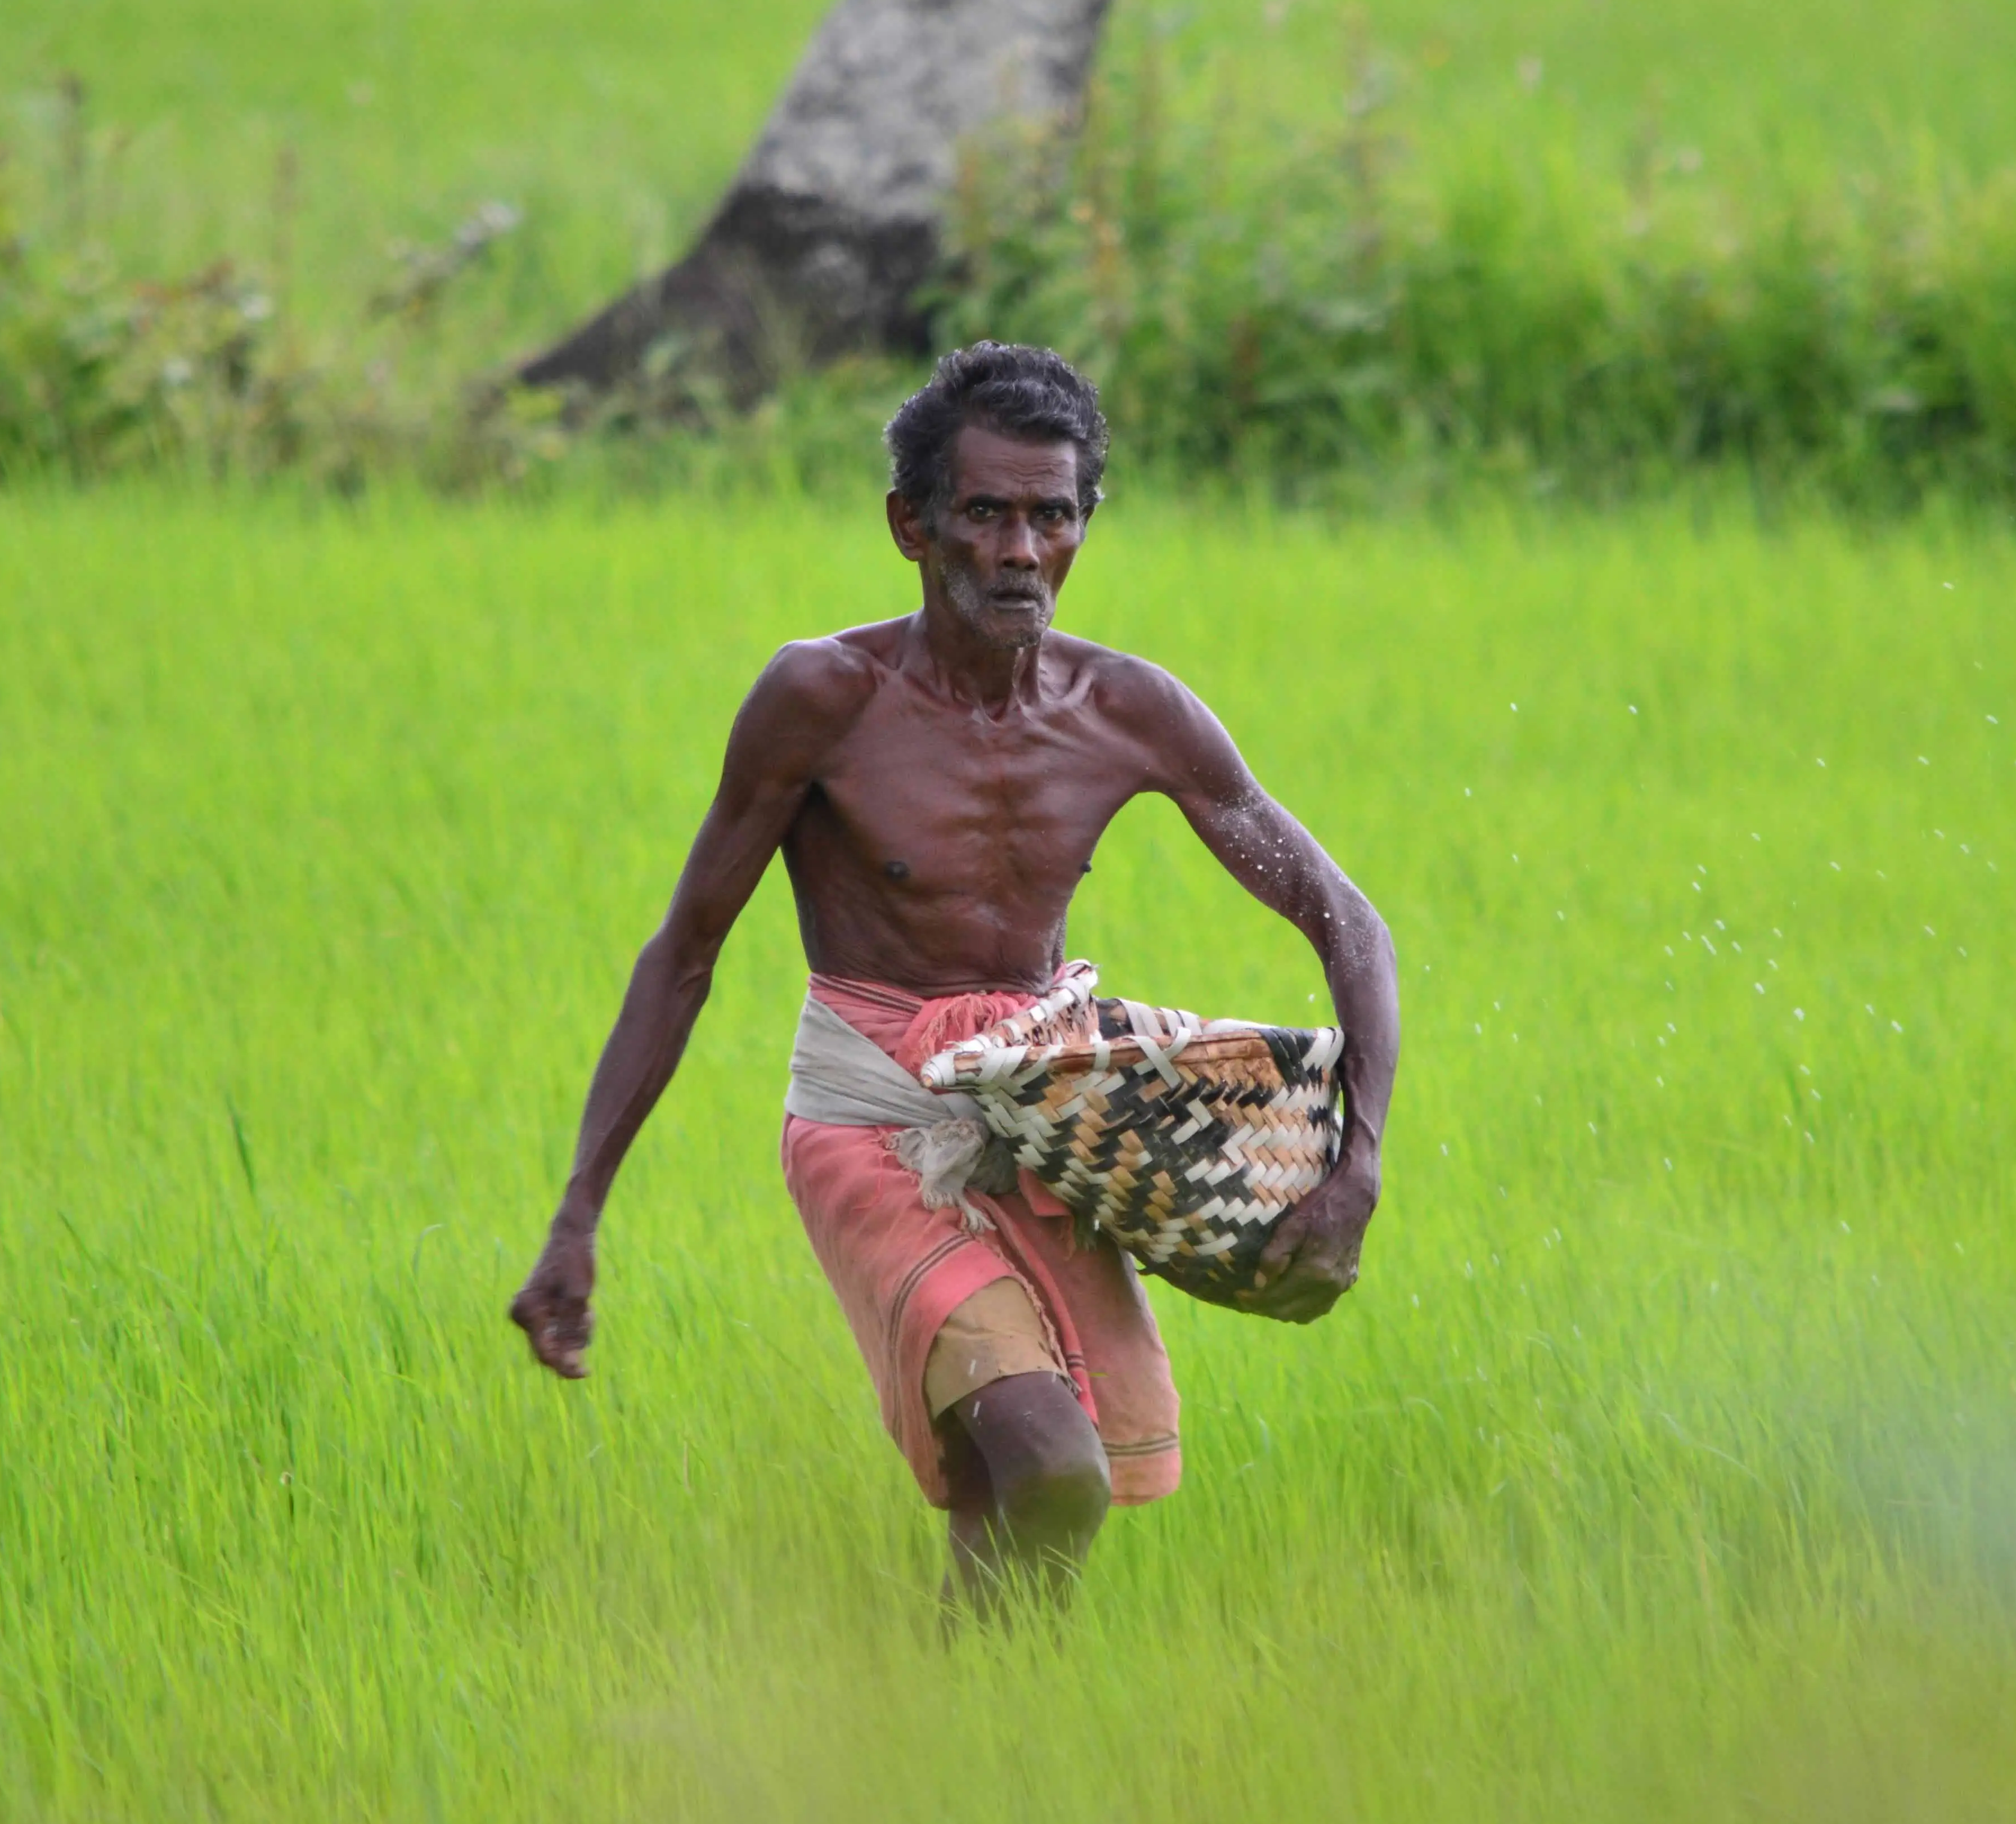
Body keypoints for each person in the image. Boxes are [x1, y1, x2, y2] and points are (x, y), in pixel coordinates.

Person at [509, 342, 1398, 1611]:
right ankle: (984, 1705)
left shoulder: (1125, 711)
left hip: (1039, 1114)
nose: (1020, 550)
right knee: (1052, 1468)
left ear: (1084, 525)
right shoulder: (823, 700)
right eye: (984, 513)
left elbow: (1346, 921)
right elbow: (684, 952)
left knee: (1008, 1488)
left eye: (1052, 516)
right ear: (910, 526)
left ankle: (972, 1719)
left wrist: (1357, 1163)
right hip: (873, 1120)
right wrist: (578, 1214)